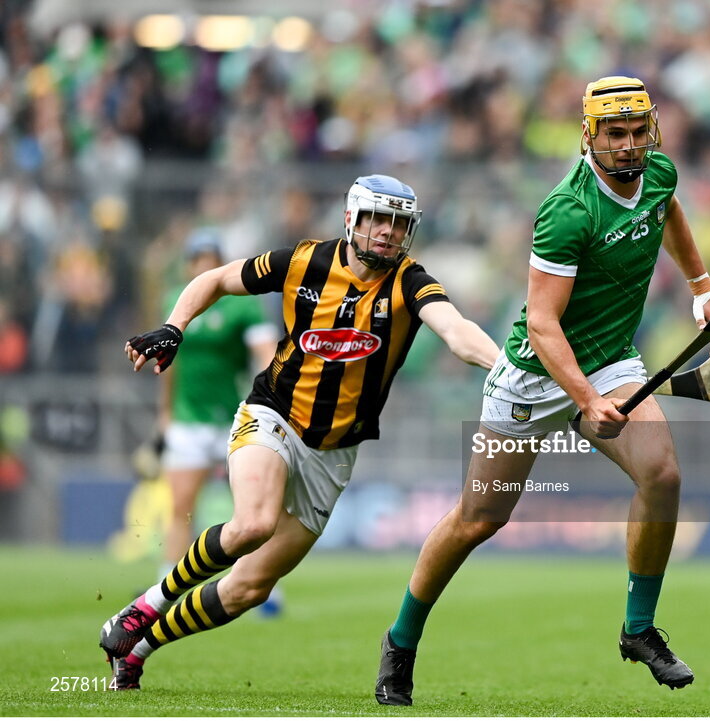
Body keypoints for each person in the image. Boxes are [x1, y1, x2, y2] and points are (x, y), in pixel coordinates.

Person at [375, 77, 710, 706]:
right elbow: (541, 325)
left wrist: (703, 286)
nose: (627, 146)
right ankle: (401, 642)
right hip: (535, 377)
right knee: (478, 520)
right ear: (589, 135)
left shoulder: (659, 173)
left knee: (663, 475)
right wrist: (586, 402)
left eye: (636, 132)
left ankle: (639, 629)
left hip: (612, 361)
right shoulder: (569, 210)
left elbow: (667, 209)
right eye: (613, 134)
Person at [99, 174, 501, 690]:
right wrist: (175, 325)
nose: (386, 232)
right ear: (352, 219)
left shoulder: (410, 280)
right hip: (273, 416)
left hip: (334, 454)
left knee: (251, 586)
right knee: (253, 523)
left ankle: (140, 648)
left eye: (398, 223)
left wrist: (502, 366)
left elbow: (455, 329)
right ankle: (144, 607)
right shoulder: (305, 261)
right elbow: (216, 280)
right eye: (377, 219)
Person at [154, 228, 278, 591]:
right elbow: (167, 366)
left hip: (232, 419)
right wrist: (163, 413)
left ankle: (262, 583)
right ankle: (164, 586)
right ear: (189, 265)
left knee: (253, 512)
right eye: (198, 259)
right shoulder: (175, 302)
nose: (203, 266)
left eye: (210, 259)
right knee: (181, 507)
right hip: (187, 420)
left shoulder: (241, 304)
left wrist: (278, 393)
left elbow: (266, 351)